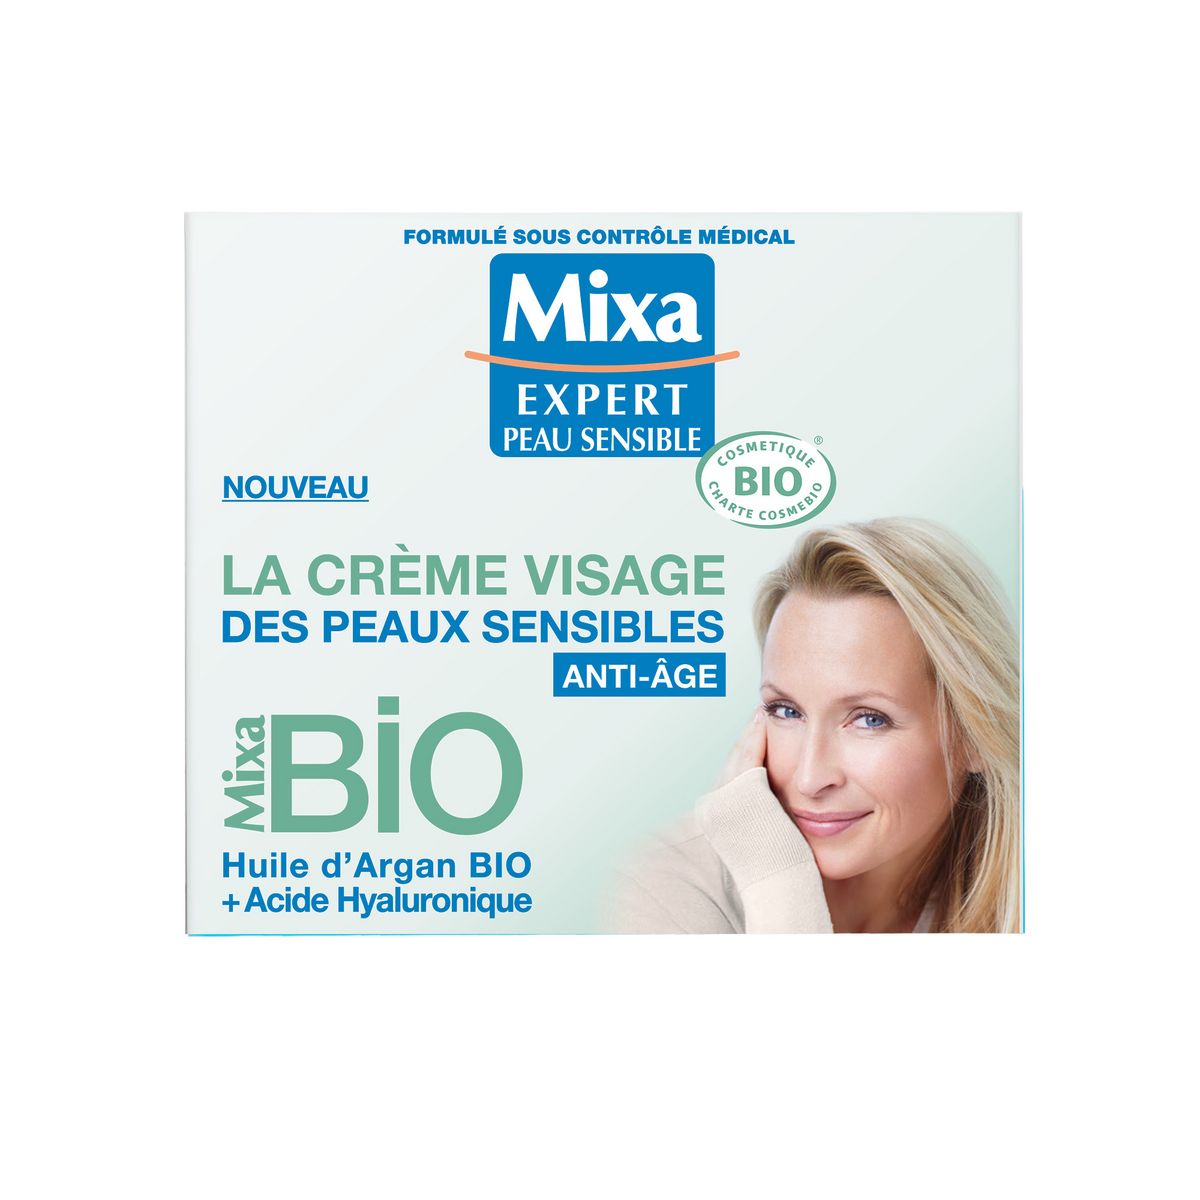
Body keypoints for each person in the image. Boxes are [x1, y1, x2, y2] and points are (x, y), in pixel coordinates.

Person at [603, 518, 1020, 934]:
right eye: (786, 711)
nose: (809, 779)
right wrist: (778, 884)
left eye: (869, 719)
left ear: (974, 734)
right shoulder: (672, 889)